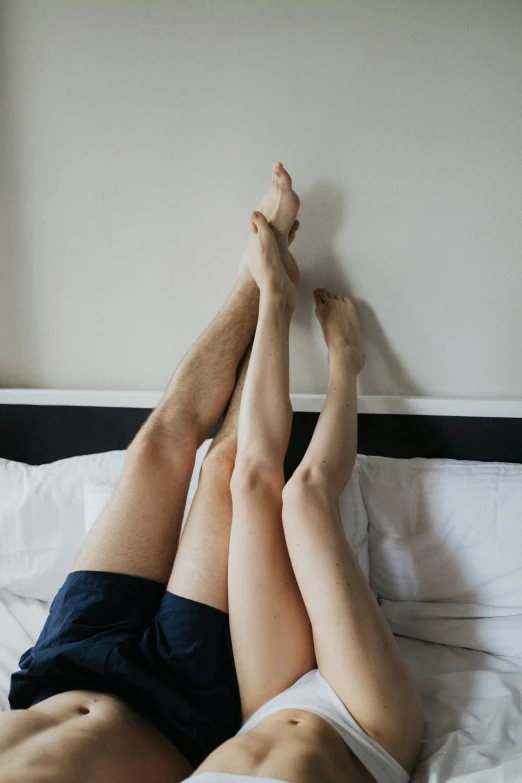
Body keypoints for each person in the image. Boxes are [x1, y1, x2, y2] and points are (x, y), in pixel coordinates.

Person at [2, 164, 301, 783]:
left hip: (61, 665)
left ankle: (260, 265)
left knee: (156, 445)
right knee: (224, 470)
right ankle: (279, 298)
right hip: (175, 705)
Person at [185, 209, 425, 782]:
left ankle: (274, 296)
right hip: (366, 733)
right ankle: (347, 364)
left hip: (261, 712)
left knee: (248, 480)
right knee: (306, 497)